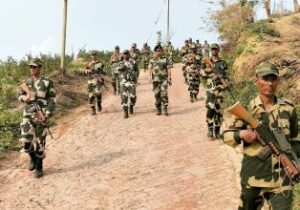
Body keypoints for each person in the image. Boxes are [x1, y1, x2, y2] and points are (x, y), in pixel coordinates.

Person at [222, 62, 299, 210]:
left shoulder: (288, 109)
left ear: (278, 81)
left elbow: (296, 141)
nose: (269, 83)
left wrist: (296, 164)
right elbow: (226, 136)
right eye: (265, 79)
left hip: (281, 180)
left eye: (273, 79)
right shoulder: (247, 109)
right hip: (253, 178)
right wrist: (242, 134)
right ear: (256, 80)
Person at [19, 58, 56, 178]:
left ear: (40, 68)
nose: (32, 69)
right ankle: (33, 158)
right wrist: (25, 97)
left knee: (40, 143)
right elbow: (20, 96)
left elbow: (52, 99)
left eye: (34, 67)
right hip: (28, 114)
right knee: (25, 141)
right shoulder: (26, 82)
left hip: (41, 115)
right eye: (31, 67)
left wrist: (48, 113)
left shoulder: (47, 81)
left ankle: (39, 167)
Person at [202, 43, 228, 139]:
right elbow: (201, 73)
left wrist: (226, 84)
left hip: (221, 88)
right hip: (211, 89)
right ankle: (209, 130)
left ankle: (217, 131)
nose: (214, 51)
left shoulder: (223, 62)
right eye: (212, 49)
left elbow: (226, 74)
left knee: (219, 111)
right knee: (210, 109)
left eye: (216, 49)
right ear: (210, 50)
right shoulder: (206, 61)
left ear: (218, 50)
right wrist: (208, 70)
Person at [148, 44, 172, 116]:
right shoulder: (152, 59)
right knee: (157, 94)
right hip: (155, 80)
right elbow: (150, 68)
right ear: (155, 51)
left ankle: (165, 108)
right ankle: (158, 109)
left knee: (164, 93)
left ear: (162, 51)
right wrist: (150, 77)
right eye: (157, 51)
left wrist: (169, 78)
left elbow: (168, 68)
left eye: (160, 50)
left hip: (164, 79)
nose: (158, 52)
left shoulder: (165, 59)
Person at [117, 50, 139, 118]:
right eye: (124, 54)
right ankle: (125, 112)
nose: (126, 55)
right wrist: (120, 68)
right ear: (123, 55)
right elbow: (116, 70)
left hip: (131, 82)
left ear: (129, 55)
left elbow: (137, 71)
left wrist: (135, 78)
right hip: (123, 82)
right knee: (124, 97)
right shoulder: (120, 63)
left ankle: (131, 106)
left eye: (127, 54)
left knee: (133, 97)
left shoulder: (133, 62)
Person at [86, 51, 106, 115]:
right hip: (90, 81)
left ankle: (99, 103)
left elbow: (103, 72)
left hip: (98, 81)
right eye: (92, 55)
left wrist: (102, 78)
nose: (93, 56)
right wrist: (88, 71)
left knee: (98, 93)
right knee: (91, 96)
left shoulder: (100, 63)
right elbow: (85, 71)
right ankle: (93, 109)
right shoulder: (88, 64)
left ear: (96, 55)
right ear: (91, 56)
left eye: (94, 55)